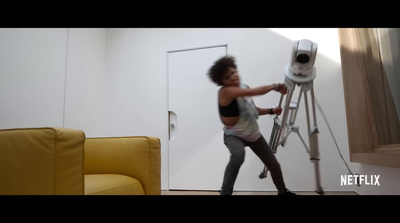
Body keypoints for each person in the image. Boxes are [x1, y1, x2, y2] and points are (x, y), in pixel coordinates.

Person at [207, 55, 295, 196]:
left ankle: (283, 192)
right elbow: (253, 91)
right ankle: (225, 193)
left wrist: (271, 110)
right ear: (222, 82)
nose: (233, 77)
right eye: (228, 77)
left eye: (233, 72)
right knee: (238, 155)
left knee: (274, 165)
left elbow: (253, 110)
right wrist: (276, 86)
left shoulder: (244, 87)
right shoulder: (225, 92)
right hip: (234, 135)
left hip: (253, 135)